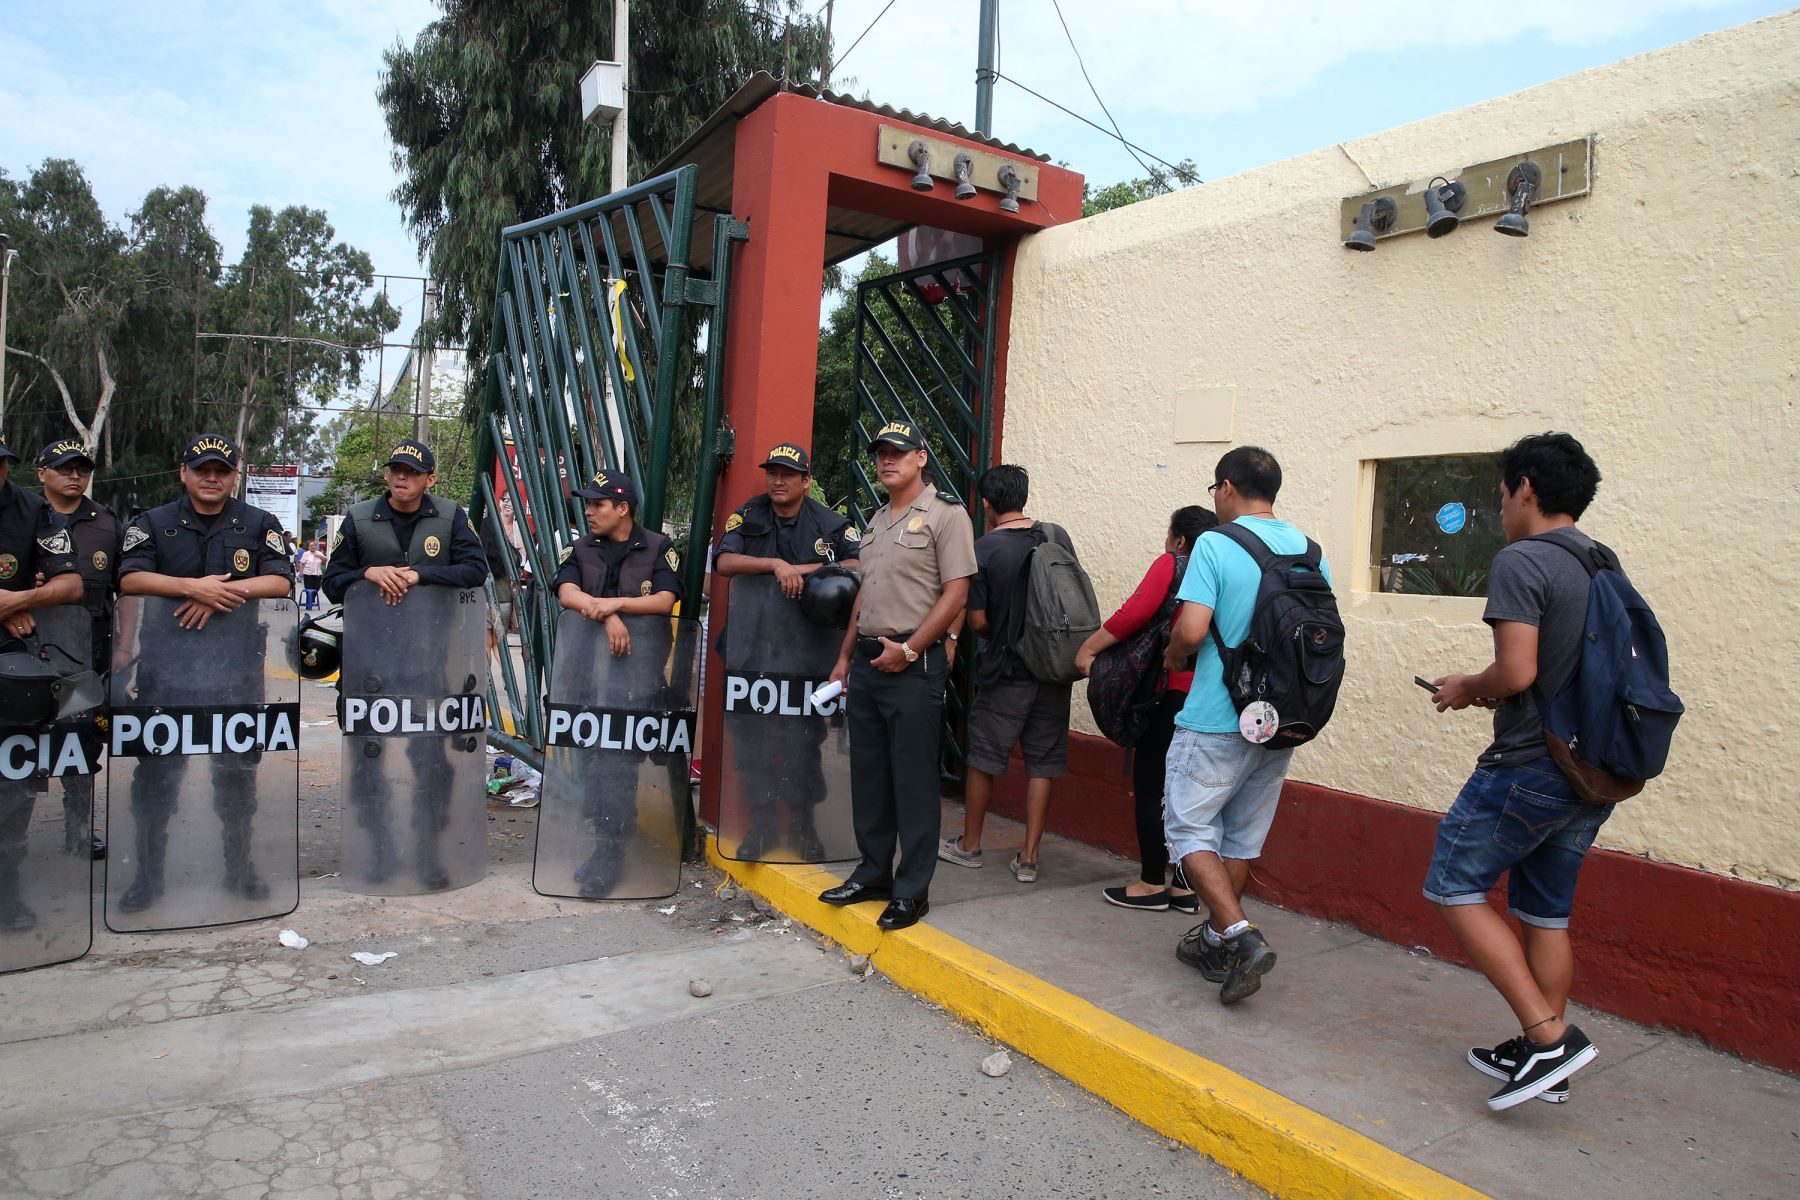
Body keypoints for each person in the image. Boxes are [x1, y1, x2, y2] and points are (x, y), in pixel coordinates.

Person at [1423, 432, 1610, 1110]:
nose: (1500, 506)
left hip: (1531, 764)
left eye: (1502, 493)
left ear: (1526, 488)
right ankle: (1546, 1061)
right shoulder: (1599, 561)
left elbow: (1519, 670)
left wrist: (1469, 686)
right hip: (1591, 770)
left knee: (1451, 883)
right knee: (1544, 911)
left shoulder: (1523, 558)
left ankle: (1545, 1037)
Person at [1163, 446, 1330, 1005]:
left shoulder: (1215, 542)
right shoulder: (1310, 550)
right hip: (1281, 719)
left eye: (1216, 491)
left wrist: (1171, 655)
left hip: (1216, 715)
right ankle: (1214, 938)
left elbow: (1190, 631)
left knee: (1188, 831)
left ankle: (1240, 935)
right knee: (1238, 838)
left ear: (1227, 488)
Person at [114, 434, 295, 913]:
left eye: (221, 470)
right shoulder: (152, 522)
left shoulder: (259, 523)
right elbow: (129, 577)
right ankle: (148, 879)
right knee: (155, 783)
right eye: (202, 469)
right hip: (165, 676)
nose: (211, 478)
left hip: (234, 675)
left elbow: (280, 579)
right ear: (184, 472)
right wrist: (190, 587)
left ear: (235, 475)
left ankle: (240, 871)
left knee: (236, 781)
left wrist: (219, 595)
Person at [819, 421, 975, 931]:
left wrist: (910, 649)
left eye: (898, 453)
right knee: (869, 777)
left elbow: (956, 592)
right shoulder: (877, 519)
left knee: (911, 783)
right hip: (868, 662)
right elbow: (865, 594)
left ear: (921, 458)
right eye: (881, 454)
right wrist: (845, 658)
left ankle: (912, 889)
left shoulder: (946, 515)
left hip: (912, 664)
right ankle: (873, 873)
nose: (888, 461)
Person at [323, 439, 488, 890]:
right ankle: (377, 853)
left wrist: (419, 575)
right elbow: (332, 583)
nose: (402, 478)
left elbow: (475, 570)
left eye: (412, 473)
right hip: (368, 666)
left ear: (429, 479)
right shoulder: (358, 519)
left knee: (431, 762)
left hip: (430, 666)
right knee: (369, 761)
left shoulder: (451, 517)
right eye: (396, 470)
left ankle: (428, 853)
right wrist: (366, 573)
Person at [715, 441, 860, 859]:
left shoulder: (829, 522)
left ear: (806, 481)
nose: (778, 480)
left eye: (789, 474)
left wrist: (800, 569)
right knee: (751, 743)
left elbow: (856, 564)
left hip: (808, 655)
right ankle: (760, 827)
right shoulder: (749, 513)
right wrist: (774, 565)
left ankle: (803, 826)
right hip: (752, 650)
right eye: (772, 472)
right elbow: (724, 561)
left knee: (803, 743)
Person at [1076, 505, 1219, 912]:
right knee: (1192, 795)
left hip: (1170, 693)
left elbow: (1133, 613)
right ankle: (1185, 888)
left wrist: (1088, 648)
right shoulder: (1226, 567)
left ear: (1180, 540)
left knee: (1153, 784)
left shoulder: (1174, 563)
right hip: (1210, 698)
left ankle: (1151, 882)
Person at [937, 465, 1073, 884]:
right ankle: (1029, 857)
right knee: (1043, 761)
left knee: (984, 756)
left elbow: (977, 621)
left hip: (1008, 669)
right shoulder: (1057, 536)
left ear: (988, 504)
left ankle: (970, 846)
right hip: (1053, 668)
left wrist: (1006, 634)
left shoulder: (984, 549)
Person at [552, 469, 682, 895]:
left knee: (617, 764)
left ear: (622, 508)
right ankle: (603, 842)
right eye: (588, 504)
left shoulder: (659, 548)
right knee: (593, 762)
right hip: (584, 680)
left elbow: (664, 601)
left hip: (632, 683)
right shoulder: (580, 548)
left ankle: (610, 850)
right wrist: (606, 613)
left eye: (598, 504)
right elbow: (565, 591)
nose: (589, 511)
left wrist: (616, 604)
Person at [0, 441, 83, 933]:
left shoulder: (33, 509)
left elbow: (70, 584)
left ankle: (8, 892)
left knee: (15, 787)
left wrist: (16, 600)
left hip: (12, 667)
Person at [36, 438, 122, 858]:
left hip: (91, 649)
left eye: (82, 469)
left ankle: (80, 828)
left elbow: (126, 587)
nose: (75, 476)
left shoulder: (106, 522)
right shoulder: (26, 517)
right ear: (42, 474)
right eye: (65, 468)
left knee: (84, 740)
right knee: (25, 738)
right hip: (32, 648)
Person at [297, 540, 326, 610]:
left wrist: (320, 556)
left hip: (317, 573)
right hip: (308, 574)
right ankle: (308, 604)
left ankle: (312, 599)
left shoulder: (318, 553)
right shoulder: (306, 554)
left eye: (314, 545)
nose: (313, 547)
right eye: (311, 546)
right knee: (309, 589)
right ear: (308, 547)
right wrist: (301, 573)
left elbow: (325, 559)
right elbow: (302, 563)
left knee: (317, 587)